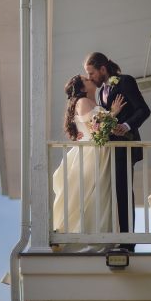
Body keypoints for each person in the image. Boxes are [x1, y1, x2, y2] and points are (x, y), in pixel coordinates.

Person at [84, 52, 151, 252]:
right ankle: (116, 237)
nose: (90, 78)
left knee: (124, 192)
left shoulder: (125, 82)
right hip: (110, 151)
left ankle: (128, 242)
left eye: (91, 73)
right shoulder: (99, 94)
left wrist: (127, 125)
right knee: (113, 193)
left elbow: (143, 110)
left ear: (103, 69)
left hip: (126, 145)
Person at [52, 75, 125, 249]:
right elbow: (96, 127)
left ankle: (98, 237)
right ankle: (70, 237)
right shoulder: (82, 101)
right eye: (86, 79)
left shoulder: (93, 101)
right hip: (91, 154)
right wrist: (113, 113)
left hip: (100, 152)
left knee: (98, 195)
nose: (90, 79)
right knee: (85, 195)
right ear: (83, 88)